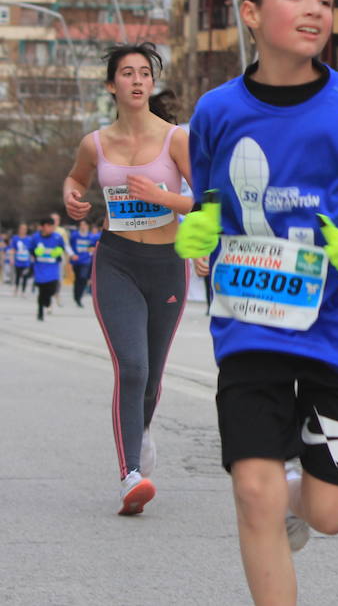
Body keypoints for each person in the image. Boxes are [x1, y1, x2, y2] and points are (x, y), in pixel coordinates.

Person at [175, 0, 338, 603]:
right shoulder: (217, 112)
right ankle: (268, 500)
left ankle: (296, 498)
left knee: (330, 513)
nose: (314, 8)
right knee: (251, 491)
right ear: (251, 13)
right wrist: (201, 223)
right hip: (250, 324)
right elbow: (207, 191)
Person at [62, 43, 194, 515]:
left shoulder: (177, 139)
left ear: (151, 84)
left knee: (153, 377)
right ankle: (130, 475)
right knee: (132, 368)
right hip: (116, 261)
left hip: (166, 264)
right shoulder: (95, 143)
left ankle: (139, 433)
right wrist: (74, 198)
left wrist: (164, 200)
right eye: (128, 73)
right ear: (112, 85)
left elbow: (208, 200)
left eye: (145, 73)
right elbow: (76, 180)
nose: (137, 81)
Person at [30, 218, 66, 320]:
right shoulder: (36, 237)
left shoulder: (57, 237)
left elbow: (62, 247)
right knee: (42, 292)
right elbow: (30, 249)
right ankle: (40, 312)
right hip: (40, 269)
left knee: (52, 289)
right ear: (42, 227)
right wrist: (35, 252)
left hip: (52, 270)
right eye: (48, 226)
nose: (50, 228)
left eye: (52, 226)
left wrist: (58, 251)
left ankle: (48, 300)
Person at [70, 219, 98, 307]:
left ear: (88, 226)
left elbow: (93, 247)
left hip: (86, 260)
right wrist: (72, 255)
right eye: (81, 225)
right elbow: (69, 246)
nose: (83, 227)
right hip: (76, 260)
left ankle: (79, 297)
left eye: (85, 225)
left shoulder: (91, 236)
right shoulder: (74, 235)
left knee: (83, 278)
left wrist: (91, 253)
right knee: (77, 279)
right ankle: (76, 296)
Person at [11, 222, 33, 293]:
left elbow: (31, 249)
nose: (23, 230)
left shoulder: (29, 239)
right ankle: (16, 289)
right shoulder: (15, 238)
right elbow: (13, 249)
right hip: (18, 260)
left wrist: (32, 257)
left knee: (25, 276)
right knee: (17, 275)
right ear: (19, 229)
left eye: (25, 229)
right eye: (22, 229)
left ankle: (23, 291)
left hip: (26, 261)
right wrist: (11, 258)